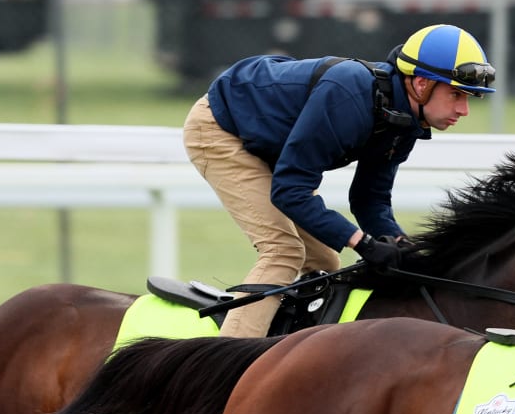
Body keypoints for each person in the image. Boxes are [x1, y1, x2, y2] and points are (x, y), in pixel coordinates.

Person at [183, 24, 497, 337]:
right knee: (283, 251)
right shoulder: (349, 95)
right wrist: (363, 243)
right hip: (221, 128)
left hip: (271, 142)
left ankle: (289, 347)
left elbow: (369, 200)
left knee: (326, 262)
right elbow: (290, 191)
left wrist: (401, 246)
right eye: (456, 94)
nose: (464, 110)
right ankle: (229, 366)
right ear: (422, 83)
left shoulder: (405, 121)